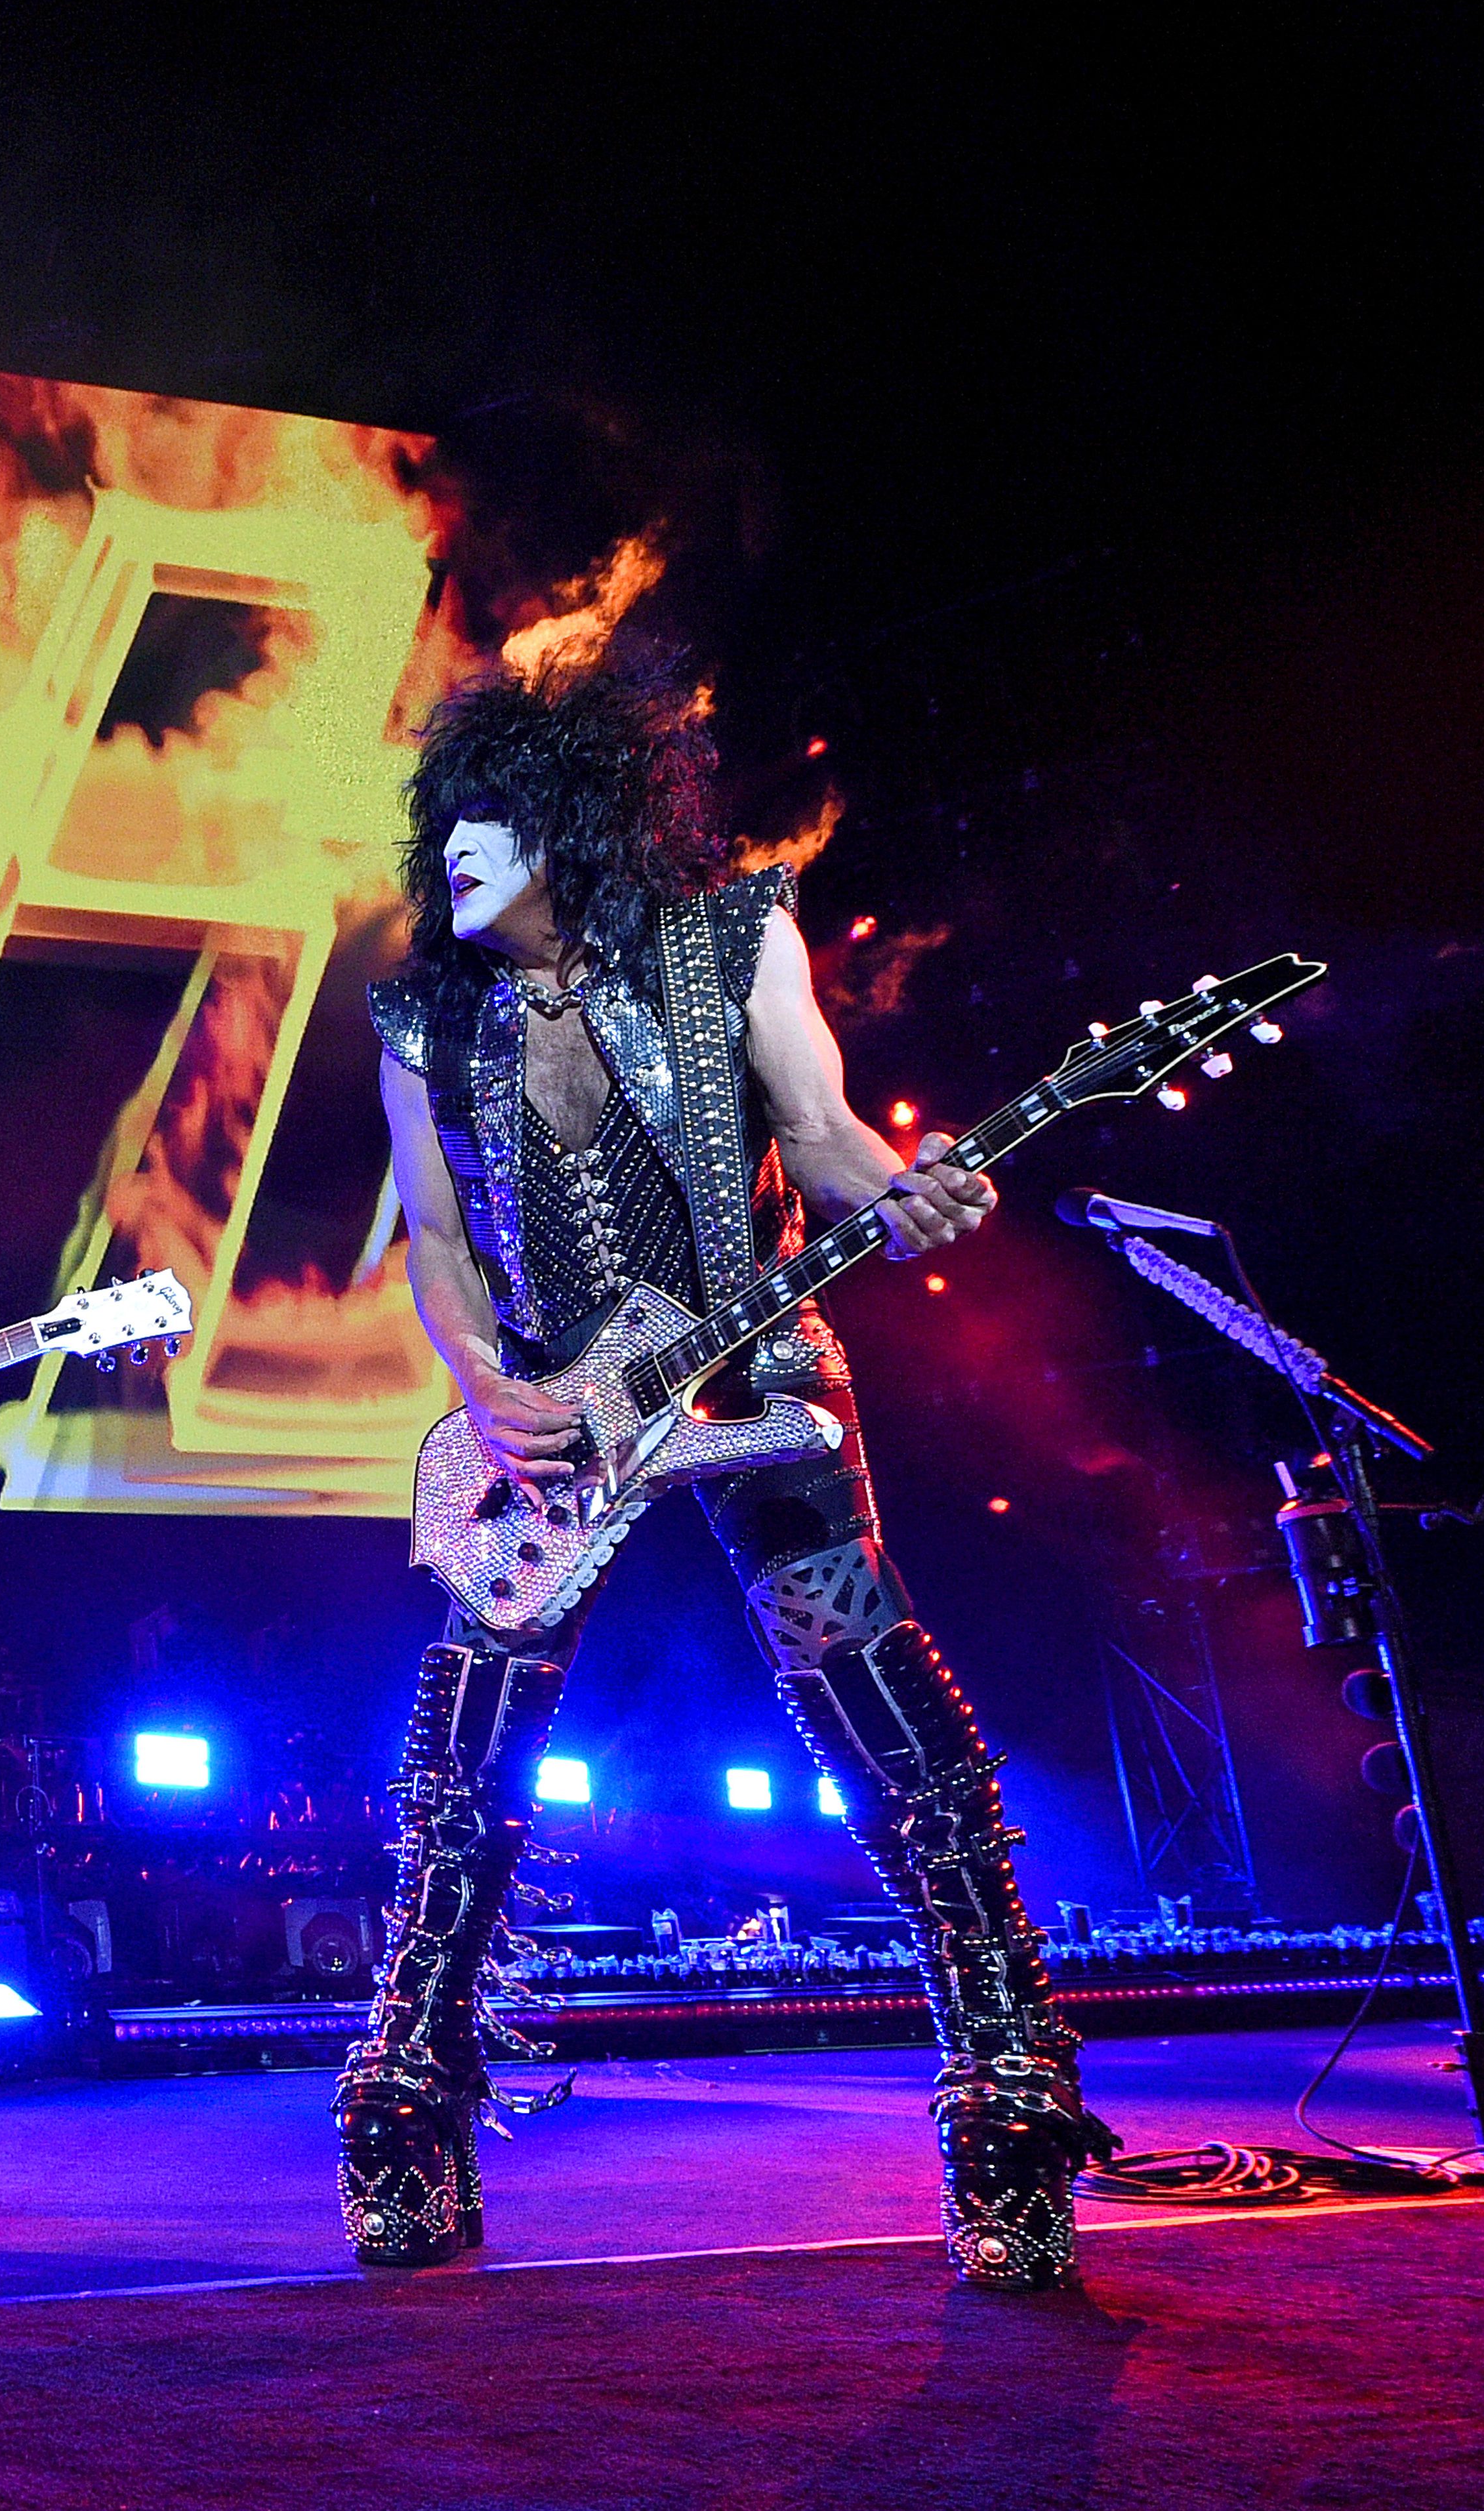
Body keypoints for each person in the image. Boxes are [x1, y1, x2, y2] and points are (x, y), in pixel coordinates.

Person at [350, 655, 1118, 2288]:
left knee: (878, 1702)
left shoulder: (731, 932)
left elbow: (826, 1134)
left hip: (754, 1374)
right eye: (446, 821)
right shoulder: (424, 1006)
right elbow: (433, 1233)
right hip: (555, 1424)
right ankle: (408, 2103)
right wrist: (487, 1390)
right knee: (462, 1757)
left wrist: (898, 1194)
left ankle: (1008, 2091)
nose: (455, 850)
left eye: (487, 816)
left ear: (568, 816)